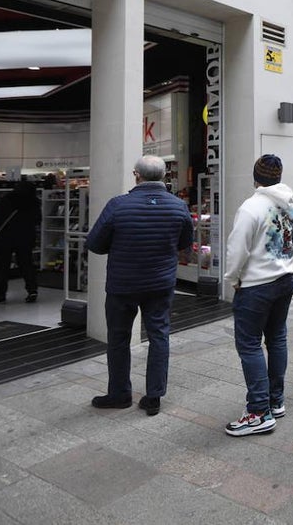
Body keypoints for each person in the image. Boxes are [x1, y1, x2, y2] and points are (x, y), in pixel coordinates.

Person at [85, 155, 194, 415]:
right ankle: (154, 396)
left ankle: (119, 394)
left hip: (123, 284)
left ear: (137, 175)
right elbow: (185, 245)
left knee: (118, 338)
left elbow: (95, 244)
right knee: (159, 336)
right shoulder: (178, 206)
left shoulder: (118, 205)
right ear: (164, 176)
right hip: (160, 284)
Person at [223, 155, 293, 437]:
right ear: (278, 177)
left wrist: (232, 279)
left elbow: (237, 249)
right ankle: (275, 400)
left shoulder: (250, 207)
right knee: (277, 338)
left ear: (255, 177)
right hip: (285, 278)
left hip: (256, 285)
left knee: (249, 345)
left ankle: (258, 412)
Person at [0, 180, 41, 304]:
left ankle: (0, 295)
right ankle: (32, 290)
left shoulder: (6, 199)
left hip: (6, 237)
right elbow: (38, 220)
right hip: (25, 238)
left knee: (2, 266)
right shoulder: (33, 202)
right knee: (26, 264)